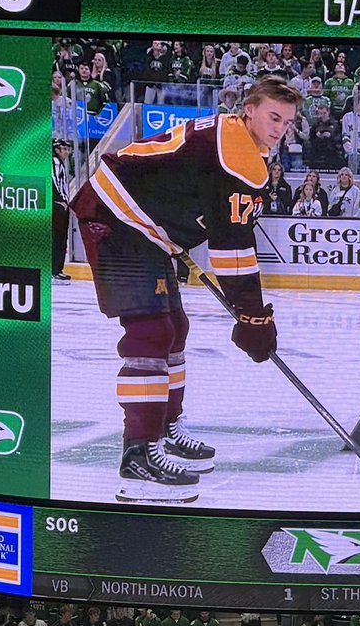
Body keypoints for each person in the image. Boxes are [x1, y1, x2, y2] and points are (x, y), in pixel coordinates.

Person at [70, 78, 302, 503]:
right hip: (117, 219)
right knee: (151, 331)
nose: (280, 128)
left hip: (143, 226)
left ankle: (164, 429)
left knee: (175, 326)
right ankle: (139, 449)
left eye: (286, 122)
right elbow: (232, 249)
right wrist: (254, 317)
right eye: (273, 117)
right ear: (248, 109)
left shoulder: (235, 138)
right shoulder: (236, 154)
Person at [52, 139, 72, 282]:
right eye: (63, 149)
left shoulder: (60, 164)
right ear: (57, 150)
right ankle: (55, 270)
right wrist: (61, 201)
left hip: (60, 204)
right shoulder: (55, 162)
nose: (66, 152)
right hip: (57, 205)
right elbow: (54, 182)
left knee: (60, 238)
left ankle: (57, 269)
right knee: (58, 238)